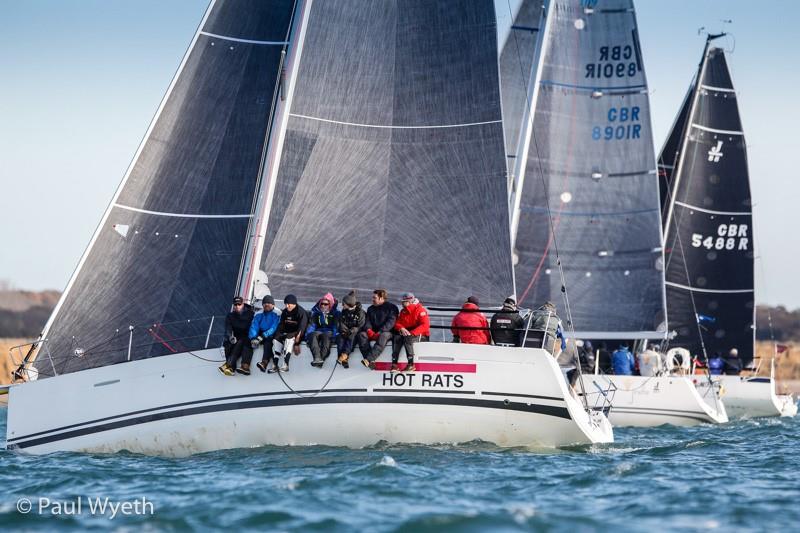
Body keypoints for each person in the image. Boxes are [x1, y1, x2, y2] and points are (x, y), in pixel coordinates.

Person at [359, 289, 399, 369]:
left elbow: (391, 322)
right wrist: (368, 330)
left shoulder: (391, 308)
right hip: (373, 332)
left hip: (388, 332)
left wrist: (380, 331)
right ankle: (370, 361)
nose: (372, 299)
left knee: (383, 336)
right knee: (361, 335)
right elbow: (367, 321)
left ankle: (368, 359)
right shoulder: (370, 309)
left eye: (374, 298)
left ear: (381, 298)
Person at [269, 294, 308, 373]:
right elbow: (281, 325)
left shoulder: (301, 312)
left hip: (297, 333)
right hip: (287, 332)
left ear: (294, 304)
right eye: (285, 304)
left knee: (289, 338)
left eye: (289, 304)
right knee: (276, 338)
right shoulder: (285, 312)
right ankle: (275, 364)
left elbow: (302, 329)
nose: (287, 306)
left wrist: (297, 343)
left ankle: (285, 365)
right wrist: (277, 335)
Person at [391, 292, 430, 372]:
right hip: (407, 333)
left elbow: (425, 325)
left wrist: (411, 333)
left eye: (404, 301)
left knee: (408, 338)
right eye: (402, 301)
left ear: (410, 301)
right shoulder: (403, 311)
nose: (402, 303)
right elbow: (397, 323)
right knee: (396, 338)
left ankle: (411, 364)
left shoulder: (420, 310)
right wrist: (401, 328)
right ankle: (394, 364)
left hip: (421, 334)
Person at [219, 296, 255, 376]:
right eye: (235, 304)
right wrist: (230, 336)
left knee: (241, 342)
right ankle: (230, 365)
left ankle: (230, 365)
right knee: (228, 344)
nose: (237, 306)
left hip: (247, 335)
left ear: (243, 304)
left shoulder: (251, 314)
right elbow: (228, 328)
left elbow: (254, 326)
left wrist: (253, 337)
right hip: (236, 336)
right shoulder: (230, 316)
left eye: (239, 304)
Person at [306, 293, 340, 368]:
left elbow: (335, 326)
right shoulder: (317, 313)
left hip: (329, 331)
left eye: (326, 304)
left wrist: (335, 336)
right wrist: (307, 336)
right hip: (319, 330)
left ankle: (322, 359)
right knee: (312, 334)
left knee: (326, 336)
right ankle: (317, 358)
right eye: (322, 304)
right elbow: (312, 325)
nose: (323, 306)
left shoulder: (335, 313)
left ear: (330, 304)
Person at [251, 296, 280, 373]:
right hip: (261, 334)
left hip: (272, 335)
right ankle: (244, 365)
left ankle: (264, 363)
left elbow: (274, 327)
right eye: (264, 303)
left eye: (269, 303)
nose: (266, 304)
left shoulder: (277, 313)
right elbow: (254, 326)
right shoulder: (258, 314)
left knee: (268, 341)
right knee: (246, 342)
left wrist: (263, 336)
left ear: (273, 305)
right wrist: (253, 338)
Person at [337, 291, 365, 369]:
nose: (342, 305)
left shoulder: (360, 312)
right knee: (340, 338)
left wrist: (351, 331)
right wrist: (344, 330)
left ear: (349, 304)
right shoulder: (344, 311)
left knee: (351, 337)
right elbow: (341, 323)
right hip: (346, 331)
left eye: (343, 304)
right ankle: (342, 358)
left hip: (355, 332)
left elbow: (360, 326)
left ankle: (345, 355)